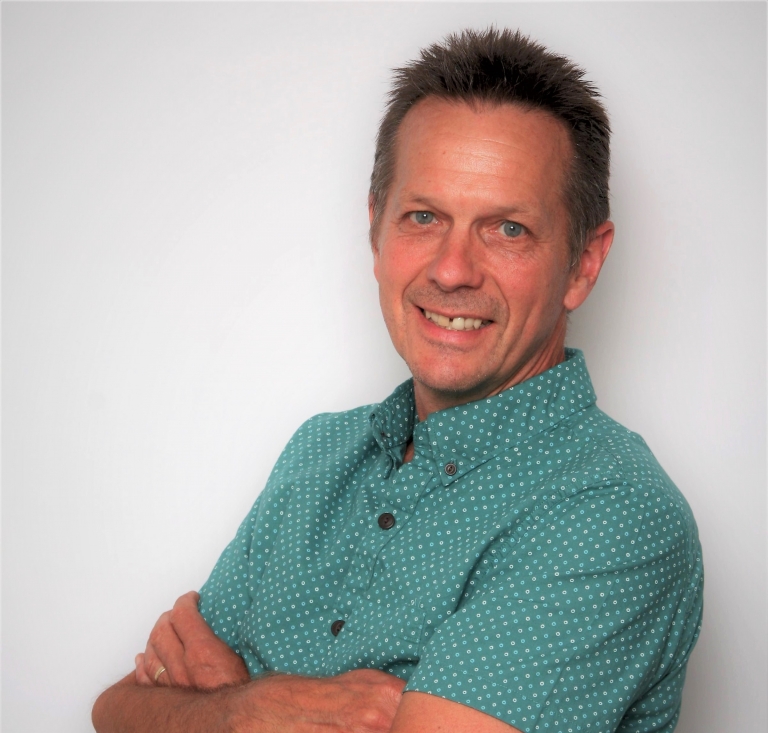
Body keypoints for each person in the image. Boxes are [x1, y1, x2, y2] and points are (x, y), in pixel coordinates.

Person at [92, 27, 703, 733]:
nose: (452, 269)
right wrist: (247, 711)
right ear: (375, 230)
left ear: (583, 264)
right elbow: (114, 709)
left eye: (507, 229)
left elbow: (153, 712)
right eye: (423, 216)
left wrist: (211, 706)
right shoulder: (318, 453)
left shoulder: (613, 512)